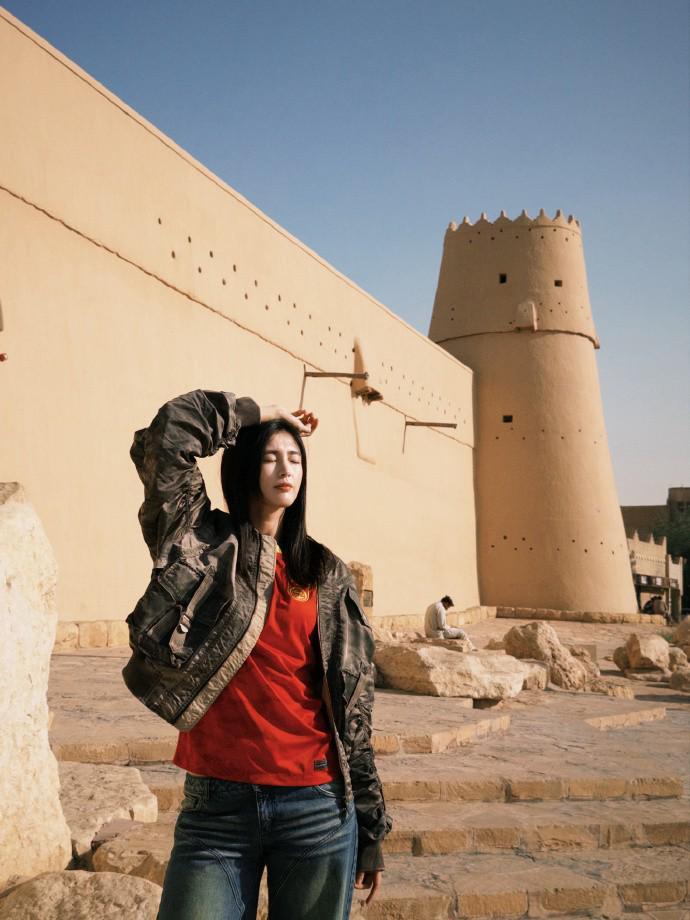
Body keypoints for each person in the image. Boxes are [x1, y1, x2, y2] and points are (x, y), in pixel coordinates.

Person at [123, 389, 391, 919]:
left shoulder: (326, 573)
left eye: (295, 458)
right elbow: (169, 434)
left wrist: (370, 822)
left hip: (316, 805)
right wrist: (262, 414)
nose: (286, 468)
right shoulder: (201, 542)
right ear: (246, 465)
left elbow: (353, 704)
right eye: (270, 456)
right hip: (216, 808)